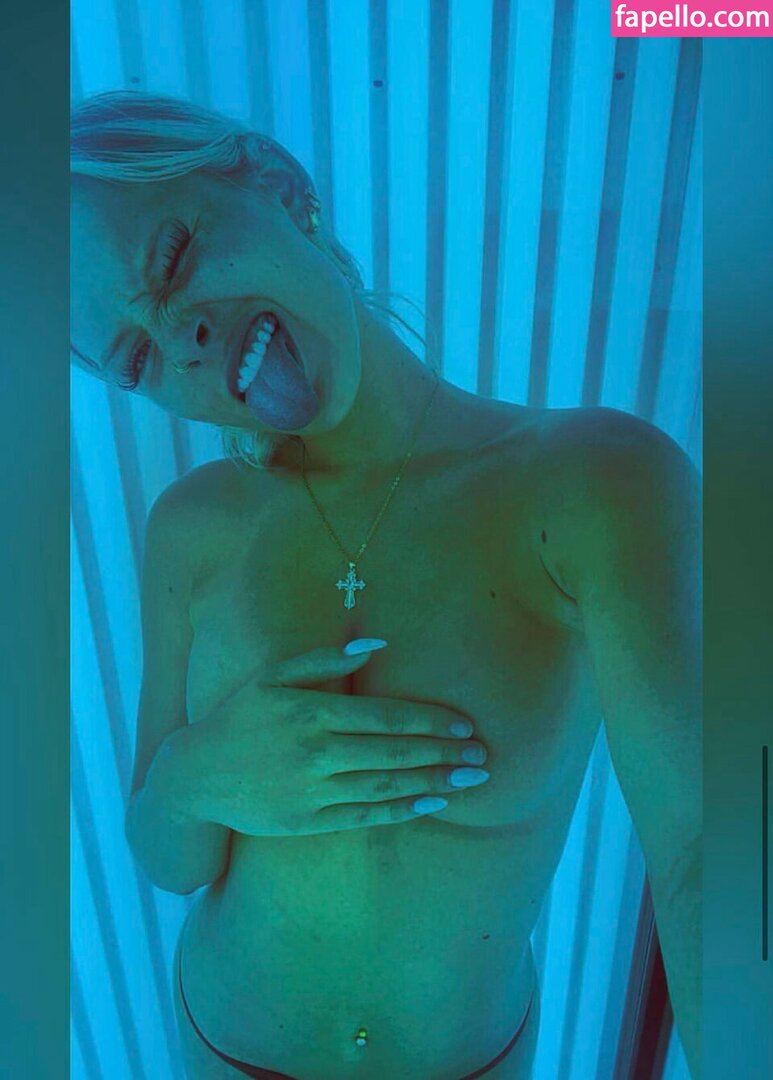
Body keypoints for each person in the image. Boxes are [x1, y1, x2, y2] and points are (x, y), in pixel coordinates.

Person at [71, 92, 702, 1080]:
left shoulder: (591, 484)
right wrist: (197, 774)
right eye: (136, 356)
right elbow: (167, 856)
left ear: (275, 185)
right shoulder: (192, 528)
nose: (179, 338)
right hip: (223, 1049)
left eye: (173, 255)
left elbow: (704, 857)